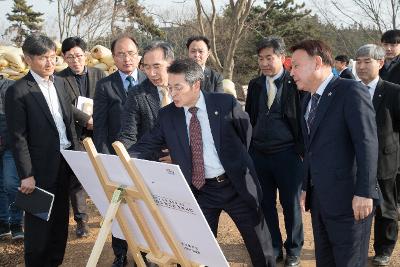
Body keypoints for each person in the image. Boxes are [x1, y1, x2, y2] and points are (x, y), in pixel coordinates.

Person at [133, 58, 276, 267]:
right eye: (170, 87)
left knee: (260, 247)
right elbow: (146, 144)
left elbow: (245, 133)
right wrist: (119, 160)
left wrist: (234, 162)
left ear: (196, 84)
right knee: (199, 253)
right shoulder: (168, 115)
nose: (172, 93)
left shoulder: (224, 103)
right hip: (201, 190)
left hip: (236, 185)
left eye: (178, 87)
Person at [290, 40, 379, 267]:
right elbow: (312, 148)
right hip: (320, 198)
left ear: (317, 62)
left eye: (296, 66)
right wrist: (305, 186)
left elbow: (366, 143)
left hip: (351, 200)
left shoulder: (350, 91)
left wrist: (365, 192)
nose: (292, 72)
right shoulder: (308, 99)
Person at [5, 34, 79, 266]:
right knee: (39, 224)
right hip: (38, 170)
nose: (50, 63)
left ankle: (55, 261)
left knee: (59, 221)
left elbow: (67, 121)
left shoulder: (59, 83)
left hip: (64, 162)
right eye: (43, 58)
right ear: (28, 59)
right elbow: (18, 137)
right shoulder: (17, 91)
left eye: (52, 57)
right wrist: (26, 174)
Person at [245, 36, 304, 266]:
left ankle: (294, 249)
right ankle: (274, 247)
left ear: (282, 58)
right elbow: (249, 117)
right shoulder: (255, 85)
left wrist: (301, 151)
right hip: (259, 154)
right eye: (261, 59)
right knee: (266, 203)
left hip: (288, 154)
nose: (265, 63)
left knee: (291, 204)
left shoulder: (294, 82)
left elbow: (301, 119)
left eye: (269, 58)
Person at [93, 35, 146, 267]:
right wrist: (106, 160)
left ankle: (145, 253)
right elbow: (101, 128)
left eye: (131, 53)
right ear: (113, 57)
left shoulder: (149, 81)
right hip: (116, 157)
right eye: (121, 54)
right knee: (119, 208)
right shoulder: (105, 85)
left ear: (138, 55)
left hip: (145, 157)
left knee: (144, 208)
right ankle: (121, 254)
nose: (127, 58)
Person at [355, 44, 400, 266]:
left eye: (367, 62)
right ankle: (356, 246)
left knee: (386, 208)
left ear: (380, 63)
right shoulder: (349, 90)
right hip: (355, 161)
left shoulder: (393, 91)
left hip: (385, 161)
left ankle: (384, 248)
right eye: (358, 62)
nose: (361, 67)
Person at [57, 36, 106, 238]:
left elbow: (107, 98)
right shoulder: (59, 79)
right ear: (64, 58)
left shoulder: (99, 74)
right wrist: (86, 119)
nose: (75, 60)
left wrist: (98, 120)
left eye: (78, 55)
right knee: (76, 179)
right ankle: (81, 221)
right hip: (76, 134)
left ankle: (107, 214)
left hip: (101, 132)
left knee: (104, 175)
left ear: (85, 55)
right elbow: (63, 105)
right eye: (70, 57)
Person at [119, 41, 174, 155]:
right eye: (147, 67)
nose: (151, 73)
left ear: (171, 64)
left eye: (156, 66)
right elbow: (128, 135)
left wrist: (178, 155)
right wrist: (127, 160)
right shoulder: (137, 94)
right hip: (151, 162)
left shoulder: (187, 90)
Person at [0, 75, 24, 240]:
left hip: (9, 145)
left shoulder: (11, 86)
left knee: (11, 184)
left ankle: (17, 222)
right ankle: (4, 222)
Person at [380, 29, 400, 219]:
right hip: (382, 122)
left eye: (393, 44)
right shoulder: (378, 66)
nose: (389, 48)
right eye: (386, 44)